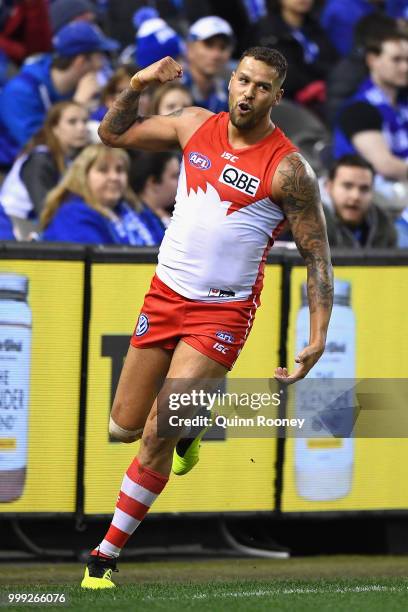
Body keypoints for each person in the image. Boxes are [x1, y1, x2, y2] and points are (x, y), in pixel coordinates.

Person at [80, 47, 333, 588]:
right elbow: (111, 135)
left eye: (261, 87)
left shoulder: (288, 169)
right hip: (164, 297)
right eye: (242, 80)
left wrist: (318, 336)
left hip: (221, 311)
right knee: (121, 428)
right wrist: (140, 81)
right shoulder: (194, 125)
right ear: (230, 80)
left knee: (154, 434)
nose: (247, 93)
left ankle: (104, 557)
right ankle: (196, 418)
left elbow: (317, 256)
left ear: (277, 96)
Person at [0, 21, 118, 168]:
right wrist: (77, 106)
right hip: (14, 170)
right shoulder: (20, 93)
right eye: (99, 57)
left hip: (62, 163)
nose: (102, 65)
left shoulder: (80, 86)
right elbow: (38, 145)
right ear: (80, 61)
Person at [333, 30, 408, 194]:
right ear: (372, 60)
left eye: (407, 60)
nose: (405, 67)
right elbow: (385, 166)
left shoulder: (404, 104)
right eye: (397, 60)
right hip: (374, 197)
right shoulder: (358, 109)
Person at [41, 144, 156, 245]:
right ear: (83, 176)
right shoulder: (72, 215)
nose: (114, 177)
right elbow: (99, 264)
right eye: (103, 170)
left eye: (120, 170)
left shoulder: (136, 208)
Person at [0, 101, 90, 222]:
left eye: (85, 121)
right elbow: (45, 210)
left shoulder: (70, 159)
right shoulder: (40, 160)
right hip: (14, 226)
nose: (81, 128)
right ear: (54, 128)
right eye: (72, 122)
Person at [255, 0, 338, 111]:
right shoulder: (266, 30)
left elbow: (334, 63)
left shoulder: (316, 28)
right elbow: (282, 73)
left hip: (323, 96)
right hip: (284, 103)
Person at [324, 155, 397, 248]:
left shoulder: (384, 225)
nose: (356, 196)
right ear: (329, 187)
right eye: (347, 186)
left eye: (364, 189)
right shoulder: (310, 223)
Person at [182, 16, 234, 113]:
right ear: (189, 48)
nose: (216, 55)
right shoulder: (173, 89)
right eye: (208, 45)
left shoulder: (229, 94)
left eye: (223, 47)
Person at [130, 151, 180, 244]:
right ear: (153, 182)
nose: (181, 183)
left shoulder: (173, 214)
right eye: (174, 176)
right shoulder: (133, 218)